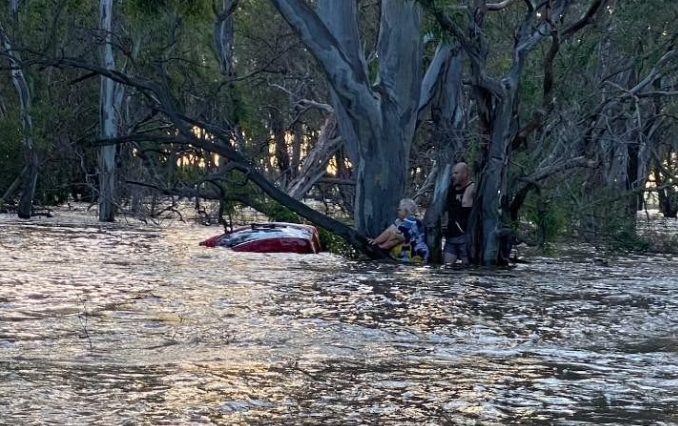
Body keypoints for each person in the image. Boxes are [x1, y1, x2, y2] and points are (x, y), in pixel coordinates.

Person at [368, 198, 429, 263]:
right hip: (403, 252)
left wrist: (383, 246)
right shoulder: (398, 221)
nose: (398, 211)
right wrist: (376, 241)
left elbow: (401, 236)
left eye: (400, 210)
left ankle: (382, 247)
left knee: (396, 234)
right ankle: (378, 244)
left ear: (406, 212)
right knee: (394, 231)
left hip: (416, 252)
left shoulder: (411, 220)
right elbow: (389, 231)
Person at [443, 162, 475, 264]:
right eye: (453, 173)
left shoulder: (472, 187)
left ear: (464, 174)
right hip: (451, 236)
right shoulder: (451, 189)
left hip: (465, 237)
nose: (453, 176)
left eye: (456, 173)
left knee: (466, 269)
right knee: (447, 267)